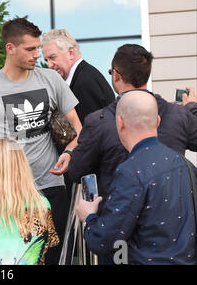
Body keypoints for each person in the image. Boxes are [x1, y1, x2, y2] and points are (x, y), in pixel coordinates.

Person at [0, 18, 82, 264]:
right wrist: (3, 165)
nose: (36, 54)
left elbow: (79, 129)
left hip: (51, 186)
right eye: (30, 49)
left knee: (53, 259)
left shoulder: (50, 79)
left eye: (38, 48)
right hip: (10, 194)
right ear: (10, 48)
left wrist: (69, 152)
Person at [76, 90, 196, 265]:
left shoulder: (131, 172)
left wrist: (89, 216)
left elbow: (103, 240)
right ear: (158, 122)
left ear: (120, 123)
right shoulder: (186, 166)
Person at [68, 44, 197, 203]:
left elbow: (76, 171)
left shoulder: (99, 121)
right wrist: (192, 107)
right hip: (170, 217)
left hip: (118, 220)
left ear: (115, 75)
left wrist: (69, 152)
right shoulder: (178, 114)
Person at [42, 29, 115, 124]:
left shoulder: (83, 83)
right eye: (46, 60)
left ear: (71, 53)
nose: (49, 65)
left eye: (52, 57)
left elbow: (90, 132)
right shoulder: (84, 76)